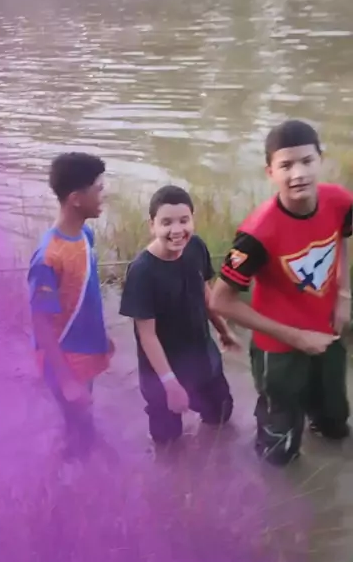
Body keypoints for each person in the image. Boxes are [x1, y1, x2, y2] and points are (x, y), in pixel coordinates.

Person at [211, 120, 353, 466]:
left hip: (327, 330)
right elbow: (220, 300)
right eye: (286, 165)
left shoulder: (339, 200)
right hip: (278, 349)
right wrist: (296, 337)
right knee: (279, 452)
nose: (298, 174)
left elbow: (342, 239)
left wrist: (344, 294)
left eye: (306, 161)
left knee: (335, 424)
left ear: (321, 159)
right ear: (270, 172)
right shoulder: (256, 234)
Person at [119, 185, 240, 447]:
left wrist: (223, 330)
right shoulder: (141, 272)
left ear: (192, 220)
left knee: (221, 417)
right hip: (161, 372)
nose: (177, 230)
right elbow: (147, 335)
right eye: (166, 223)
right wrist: (170, 384)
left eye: (184, 221)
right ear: (152, 225)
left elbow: (205, 293)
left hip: (202, 358)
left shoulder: (196, 247)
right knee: (168, 444)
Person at [28, 152, 113, 458]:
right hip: (65, 358)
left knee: (82, 418)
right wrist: (66, 380)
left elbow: (83, 294)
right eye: (98, 189)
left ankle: (81, 453)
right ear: (76, 199)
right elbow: (40, 321)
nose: (103, 195)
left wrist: (101, 335)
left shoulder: (85, 235)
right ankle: (72, 467)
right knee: (79, 426)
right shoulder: (48, 258)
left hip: (85, 349)